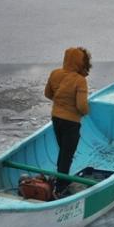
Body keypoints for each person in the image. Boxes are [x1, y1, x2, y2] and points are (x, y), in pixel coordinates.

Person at [44, 46, 92, 197]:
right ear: (80, 62)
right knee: (67, 154)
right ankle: (61, 185)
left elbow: (48, 93)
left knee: (63, 151)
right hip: (71, 122)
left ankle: (60, 178)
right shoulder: (80, 80)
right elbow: (82, 106)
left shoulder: (55, 73)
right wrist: (85, 112)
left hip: (56, 118)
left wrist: (61, 104)